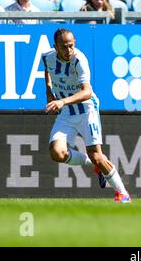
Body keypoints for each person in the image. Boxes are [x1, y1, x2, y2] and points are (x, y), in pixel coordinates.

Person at [43, 28, 131, 203]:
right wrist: (49, 91)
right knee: (56, 153)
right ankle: (96, 167)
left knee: (96, 155)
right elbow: (48, 71)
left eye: (71, 46)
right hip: (67, 113)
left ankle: (123, 194)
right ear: (56, 47)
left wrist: (61, 102)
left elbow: (87, 92)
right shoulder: (47, 57)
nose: (68, 50)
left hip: (86, 109)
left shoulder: (79, 59)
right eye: (64, 47)